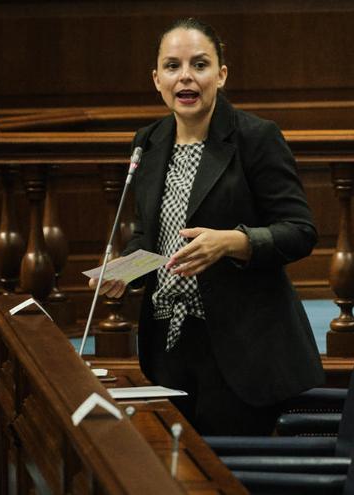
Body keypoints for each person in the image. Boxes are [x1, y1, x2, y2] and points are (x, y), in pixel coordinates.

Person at [90, 17, 324, 435]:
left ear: (221, 74)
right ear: (156, 79)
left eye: (199, 64)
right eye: (173, 66)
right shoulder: (149, 140)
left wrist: (234, 241)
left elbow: (300, 230)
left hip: (242, 347)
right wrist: (122, 271)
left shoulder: (256, 137)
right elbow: (152, 236)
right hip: (170, 342)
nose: (186, 77)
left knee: (225, 471)